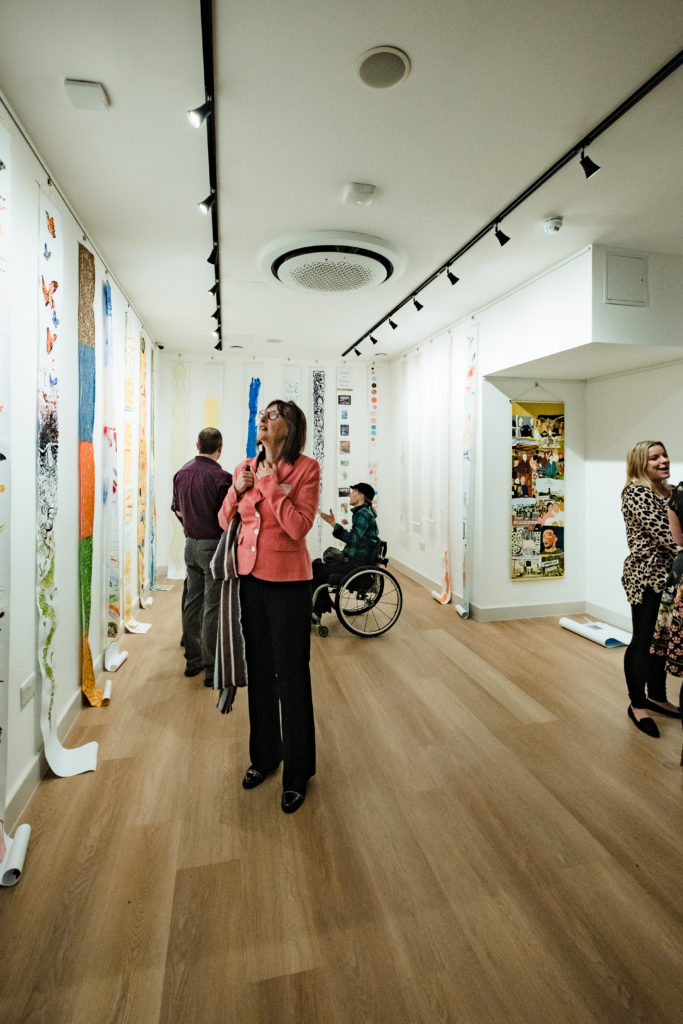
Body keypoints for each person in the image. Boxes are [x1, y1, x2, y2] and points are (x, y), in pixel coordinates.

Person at [218, 401, 320, 814]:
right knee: (259, 672)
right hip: (251, 583)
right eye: (263, 414)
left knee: (292, 677)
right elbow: (225, 520)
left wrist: (271, 485)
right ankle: (265, 757)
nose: (264, 418)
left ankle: (297, 774)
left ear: (290, 426)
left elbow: (298, 527)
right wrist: (238, 489)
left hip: (290, 585)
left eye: (274, 414)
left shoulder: (306, 469)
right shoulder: (244, 464)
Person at [620, 440, 680, 738]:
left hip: (672, 577)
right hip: (647, 577)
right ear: (640, 464)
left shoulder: (670, 492)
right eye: (654, 457)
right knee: (643, 640)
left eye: (664, 455)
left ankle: (657, 696)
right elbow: (669, 536)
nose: (663, 461)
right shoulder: (636, 493)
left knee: (663, 641)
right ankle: (637, 704)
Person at [172, 428, 232, 684]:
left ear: (197, 444)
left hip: (190, 546)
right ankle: (211, 668)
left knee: (192, 602)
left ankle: (192, 661)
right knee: (212, 607)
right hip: (213, 547)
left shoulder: (181, 474)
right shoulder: (223, 478)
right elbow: (229, 517)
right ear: (220, 447)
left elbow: (177, 510)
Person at [311, 482, 379, 618]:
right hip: (356, 560)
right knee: (317, 564)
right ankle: (318, 609)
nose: (350, 494)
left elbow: (353, 538)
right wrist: (333, 524)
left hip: (356, 564)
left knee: (317, 568)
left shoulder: (363, 514)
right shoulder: (363, 512)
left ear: (361, 496)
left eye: (353, 492)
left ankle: (317, 611)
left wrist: (335, 526)